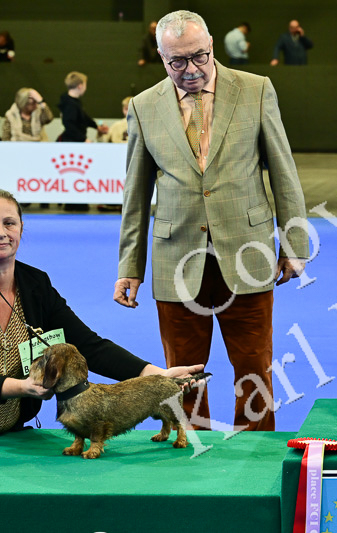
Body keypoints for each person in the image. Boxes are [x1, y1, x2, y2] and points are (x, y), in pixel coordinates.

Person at [114, 10, 309, 432]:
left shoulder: (256, 89)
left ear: (212, 47)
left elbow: (284, 172)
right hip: (174, 257)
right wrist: (130, 266)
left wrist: (295, 245)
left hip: (248, 252)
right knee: (182, 375)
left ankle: (256, 454)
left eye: (199, 56)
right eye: (177, 61)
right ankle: (190, 451)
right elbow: (135, 194)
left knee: (254, 370)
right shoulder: (144, 106)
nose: (190, 69)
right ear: (161, 57)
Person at [0, 191, 203, 434]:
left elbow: (89, 346)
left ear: (21, 228)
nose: (2, 233)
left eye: (9, 223)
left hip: (13, 432)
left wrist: (159, 377)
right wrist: (21, 387)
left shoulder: (36, 285)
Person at [57, 71, 108, 142]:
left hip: (75, 140)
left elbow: (84, 117)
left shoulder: (75, 102)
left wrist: (96, 127)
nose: (85, 88)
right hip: (70, 141)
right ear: (80, 86)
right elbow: (69, 125)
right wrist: (83, 139)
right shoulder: (70, 104)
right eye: (85, 85)